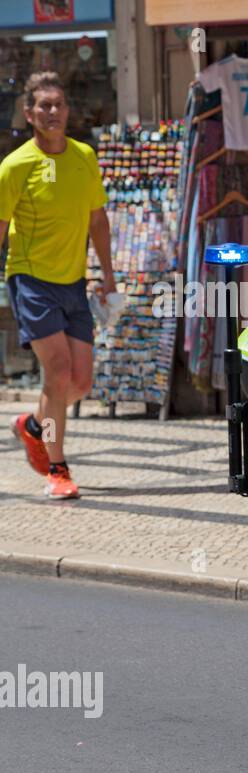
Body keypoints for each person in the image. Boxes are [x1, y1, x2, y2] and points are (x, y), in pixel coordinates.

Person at [1, 72, 116, 500]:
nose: (52, 111)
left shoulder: (85, 156)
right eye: (43, 106)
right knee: (59, 372)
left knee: (82, 383)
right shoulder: (14, 166)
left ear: (68, 110)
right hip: (30, 280)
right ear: (29, 114)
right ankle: (57, 467)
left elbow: (97, 220)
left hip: (73, 281)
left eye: (59, 104)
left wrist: (109, 275)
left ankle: (33, 426)